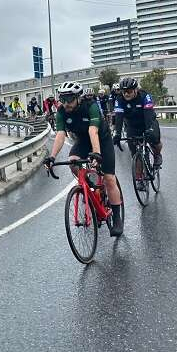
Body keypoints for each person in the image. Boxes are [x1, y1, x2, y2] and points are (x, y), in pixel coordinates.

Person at [43, 81, 124, 236]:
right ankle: (89, 188)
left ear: (79, 98)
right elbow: (60, 135)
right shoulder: (61, 111)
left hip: (102, 140)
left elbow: (93, 131)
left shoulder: (90, 106)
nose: (66, 103)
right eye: (63, 99)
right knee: (73, 162)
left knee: (109, 179)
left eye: (70, 99)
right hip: (82, 140)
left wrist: (97, 154)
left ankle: (118, 218)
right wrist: (52, 157)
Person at [113, 77, 164, 177]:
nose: (126, 94)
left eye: (129, 91)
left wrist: (149, 129)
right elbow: (118, 118)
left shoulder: (144, 96)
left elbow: (148, 114)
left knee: (154, 139)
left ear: (136, 90)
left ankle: (157, 155)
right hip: (132, 125)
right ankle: (139, 178)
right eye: (124, 92)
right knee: (135, 153)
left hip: (148, 121)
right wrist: (117, 133)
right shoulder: (119, 99)